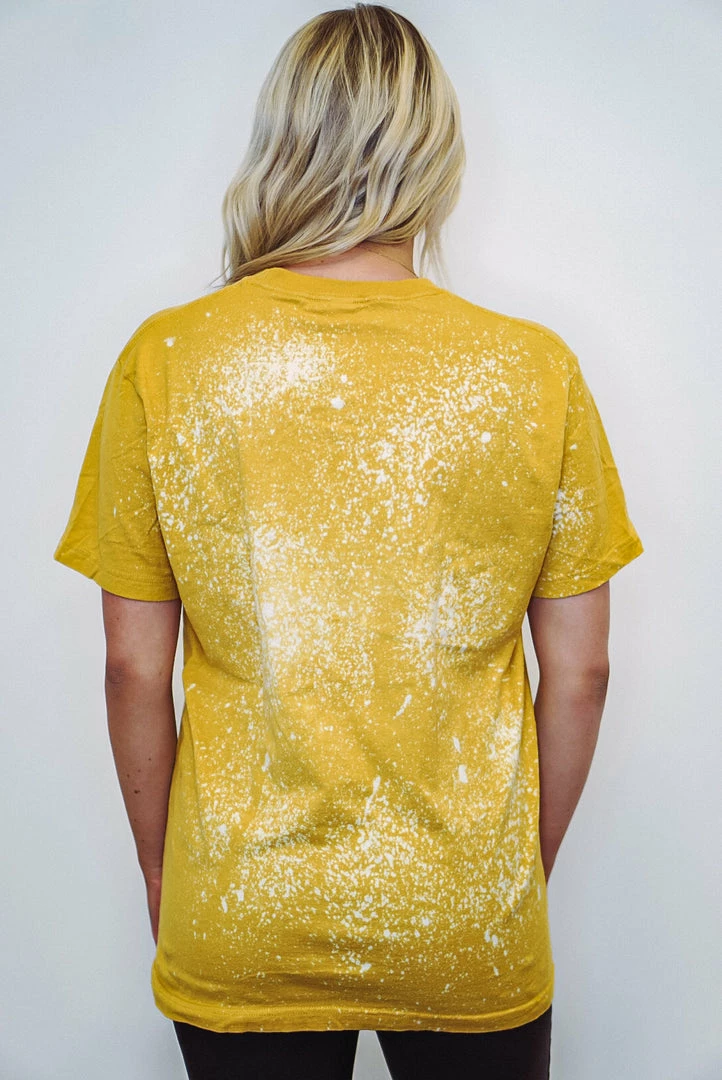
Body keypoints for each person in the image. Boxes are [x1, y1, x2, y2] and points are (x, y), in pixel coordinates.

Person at [53, 4, 644, 1079]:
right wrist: (508, 879)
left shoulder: (170, 358)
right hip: (465, 912)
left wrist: (164, 878)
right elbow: (582, 672)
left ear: (282, 140)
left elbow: (132, 668)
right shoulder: (532, 370)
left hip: (241, 907)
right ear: (433, 150)